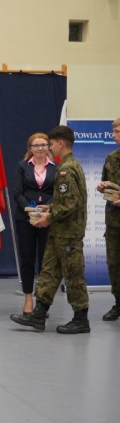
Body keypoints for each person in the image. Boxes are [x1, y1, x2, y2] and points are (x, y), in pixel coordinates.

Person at [11, 125, 90, 334]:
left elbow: (71, 203)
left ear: (60, 143)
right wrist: (51, 208)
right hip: (59, 232)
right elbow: (67, 201)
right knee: (49, 272)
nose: (49, 148)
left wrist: (49, 217)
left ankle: (81, 318)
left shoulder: (66, 169)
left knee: (73, 274)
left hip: (69, 233)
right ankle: (39, 314)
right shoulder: (69, 165)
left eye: (51, 144)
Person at [12, 133, 56, 314]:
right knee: (27, 259)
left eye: (43, 145)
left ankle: (42, 301)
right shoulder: (22, 166)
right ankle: (28, 298)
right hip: (25, 219)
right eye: (36, 145)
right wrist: (32, 211)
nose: (40, 148)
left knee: (45, 261)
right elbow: (17, 193)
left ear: (49, 147)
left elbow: (58, 193)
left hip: (48, 219)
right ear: (30, 148)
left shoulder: (56, 167)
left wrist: (47, 209)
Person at [97, 118, 120, 321]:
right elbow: (107, 184)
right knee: (114, 264)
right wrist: (102, 187)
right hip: (114, 221)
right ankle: (118, 303)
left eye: (117, 131)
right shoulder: (111, 158)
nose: (113, 135)